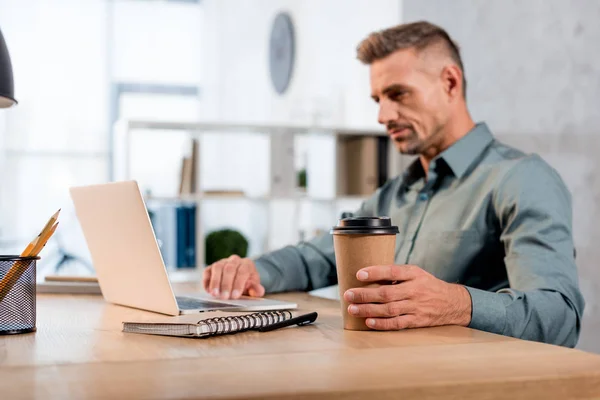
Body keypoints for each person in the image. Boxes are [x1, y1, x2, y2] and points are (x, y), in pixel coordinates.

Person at [202, 21, 584, 347]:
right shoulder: (395, 193)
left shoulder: (521, 178)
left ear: (450, 82)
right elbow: (317, 256)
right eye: (378, 99)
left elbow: (560, 316)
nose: (383, 115)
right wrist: (253, 271)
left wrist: (456, 302)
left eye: (398, 94)